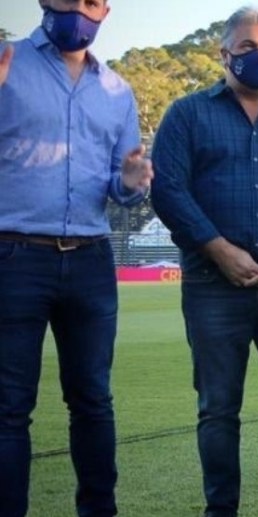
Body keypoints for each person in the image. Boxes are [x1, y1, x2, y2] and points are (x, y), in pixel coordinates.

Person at [149, 7, 258, 517]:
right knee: (218, 408)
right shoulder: (187, 114)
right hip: (212, 283)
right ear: (224, 53)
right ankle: (221, 508)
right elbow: (169, 190)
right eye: (248, 47)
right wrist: (219, 248)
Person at [0, 1, 153, 516]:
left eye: (91, 1)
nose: (79, 10)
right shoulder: (6, 63)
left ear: (105, 10)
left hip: (90, 258)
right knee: (8, 408)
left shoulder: (117, 91)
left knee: (92, 401)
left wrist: (130, 184)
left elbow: (121, 185)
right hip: (13, 256)